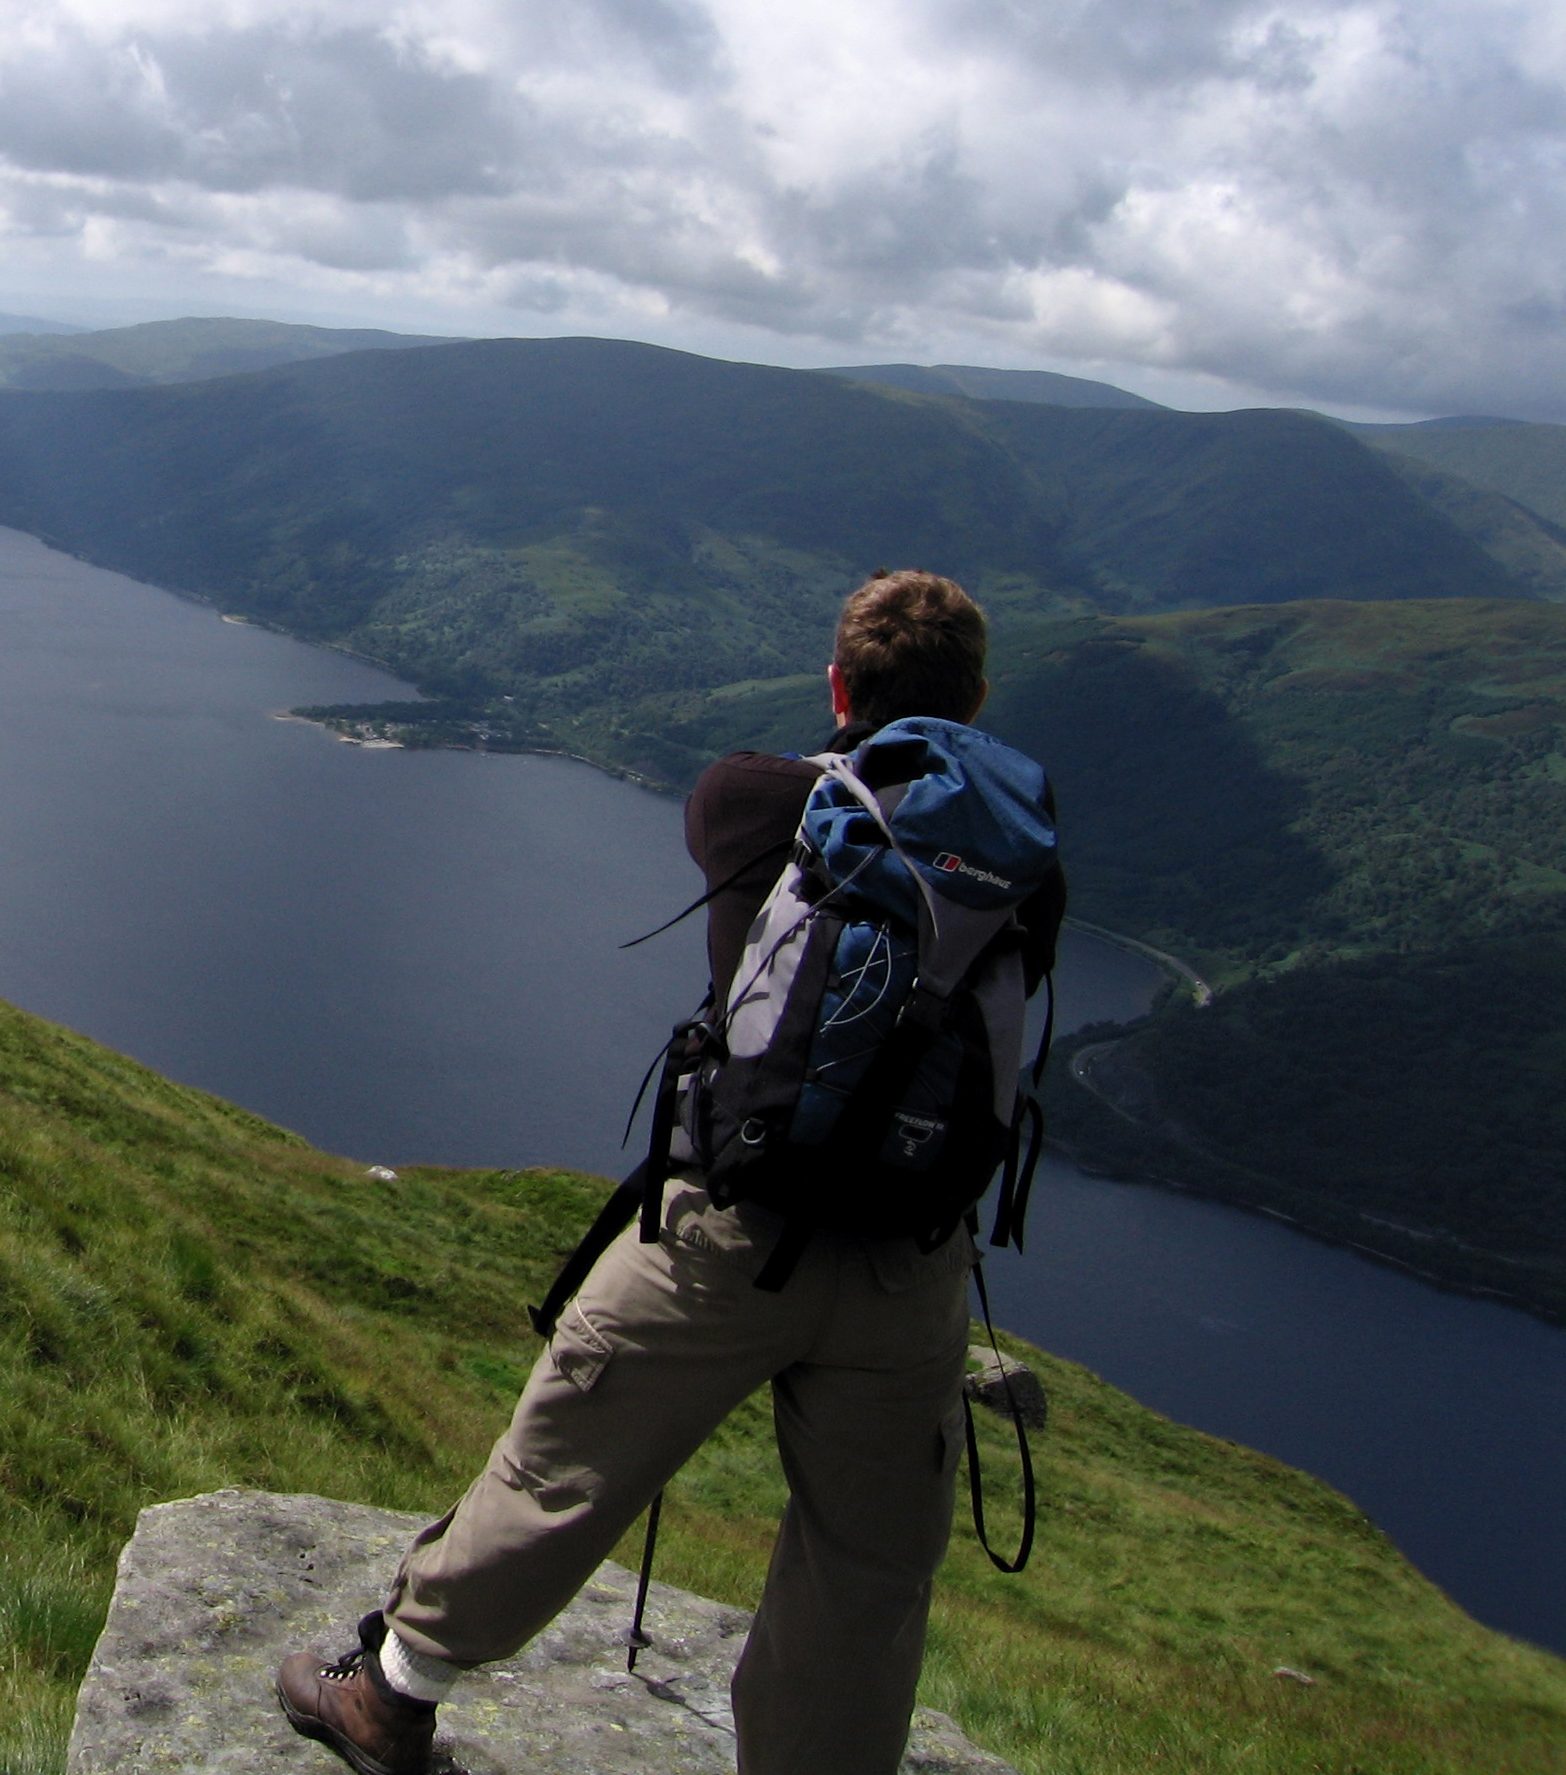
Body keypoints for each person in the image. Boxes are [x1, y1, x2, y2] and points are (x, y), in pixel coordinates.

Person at [277, 570, 1062, 1775]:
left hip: (728, 1232)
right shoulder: (1024, 863)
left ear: (840, 683)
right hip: (911, 1266)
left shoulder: (758, 802)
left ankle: (394, 1694)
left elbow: (737, 841)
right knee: (865, 1567)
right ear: (979, 698)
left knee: (562, 1464)